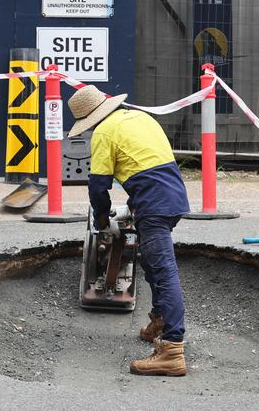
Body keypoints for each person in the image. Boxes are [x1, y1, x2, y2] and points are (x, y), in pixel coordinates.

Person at [67, 84, 190, 377]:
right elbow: (147, 165)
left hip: (153, 204)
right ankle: (159, 323)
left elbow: (98, 186)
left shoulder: (104, 133)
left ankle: (172, 350)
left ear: (90, 119)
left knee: (164, 270)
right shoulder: (141, 117)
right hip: (172, 197)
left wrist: (100, 220)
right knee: (149, 260)